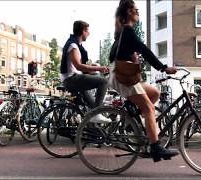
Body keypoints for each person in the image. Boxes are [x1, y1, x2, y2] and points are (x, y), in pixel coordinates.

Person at [109, 0, 179, 162]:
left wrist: (129, 56)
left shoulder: (124, 32)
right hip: (122, 78)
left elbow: (115, 55)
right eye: (136, 9)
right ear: (129, 12)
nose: (138, 12)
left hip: (124, 76)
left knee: (155, 93)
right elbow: (145, 50)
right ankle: (155, 147)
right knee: (148, 108)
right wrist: (163, 67)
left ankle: (131, 121)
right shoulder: (127, 31)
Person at [60, 20, 110, 123]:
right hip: (71, 80)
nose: (89, 33)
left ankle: (95, 131)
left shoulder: (76, 45)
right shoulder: (73, 46)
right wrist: (99, 69)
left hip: (73, 79)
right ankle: (96, 115)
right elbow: (79, 66)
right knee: (104, 82)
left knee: (93, 107)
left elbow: (79, 66)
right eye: (87, 31)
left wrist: (94, 67)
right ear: (83, 31)